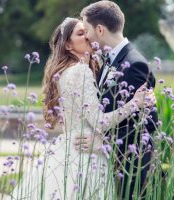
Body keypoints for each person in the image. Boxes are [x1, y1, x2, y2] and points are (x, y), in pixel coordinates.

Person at [10, 17, 155, 200]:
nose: (87, 36)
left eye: (86, 31)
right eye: (80, 33)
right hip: (85, 155)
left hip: (70, 148)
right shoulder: (80, 71)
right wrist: (134, 103)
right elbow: (98, 121)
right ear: (68, 46)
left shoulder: (69, 71)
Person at [74, 1, 158, 199]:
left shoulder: (135, 64)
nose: (85, 35)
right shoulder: (109, 60)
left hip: (130, 170)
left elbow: (148, 123)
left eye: (86, 30)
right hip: (108, 167)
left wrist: (105, 143)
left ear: (100, 30)